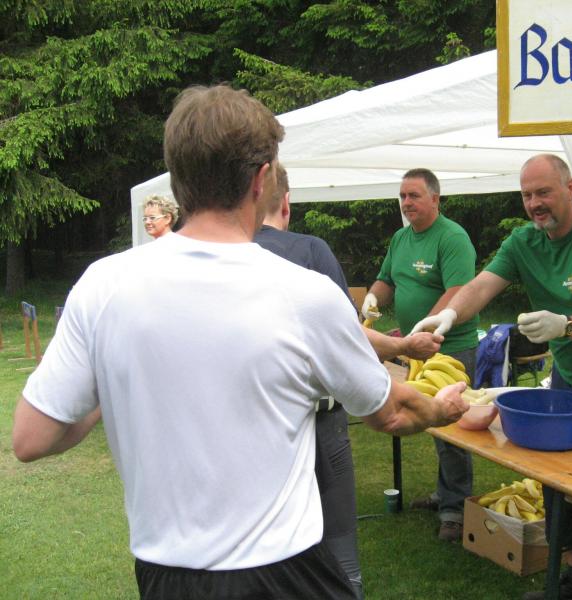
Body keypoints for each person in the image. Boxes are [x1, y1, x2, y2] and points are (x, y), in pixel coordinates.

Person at [12, 84, 468, 600]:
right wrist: (442, 409)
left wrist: (110, 383)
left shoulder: (102, 285)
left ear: (177, 178)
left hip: (165, 579)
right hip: (285, 575)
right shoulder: (305, 293)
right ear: (261, 179)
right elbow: (391, 413)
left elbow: (32, 437)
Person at [412, 154, 572, 600]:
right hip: (569, 376)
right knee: (560, 477)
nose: (534, 203)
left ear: (571, 189)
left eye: (543, 192)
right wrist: (449, 314)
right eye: (527, 195)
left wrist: (566, 326)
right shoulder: (524, 241)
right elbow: (481, 286)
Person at [253, 164, 443, 599]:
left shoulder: (222, 258)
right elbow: (349, 340)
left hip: (256, 425)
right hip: (320, 424)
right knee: (338, 542)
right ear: (286, 202)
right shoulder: (310, 250)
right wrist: (402, 348)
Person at [362, 168, 479, 543]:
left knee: (452, 428)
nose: (406, 202)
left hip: (451, 347)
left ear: (435, 199)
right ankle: (445, 494)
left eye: (414, 195)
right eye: (402, 196)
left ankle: (456, 509)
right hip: (415, 349)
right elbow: (387, 279)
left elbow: (459, 291)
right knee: (430, 420)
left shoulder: (452, 237)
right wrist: (373, 297)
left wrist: (425, 329)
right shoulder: (401, 238)